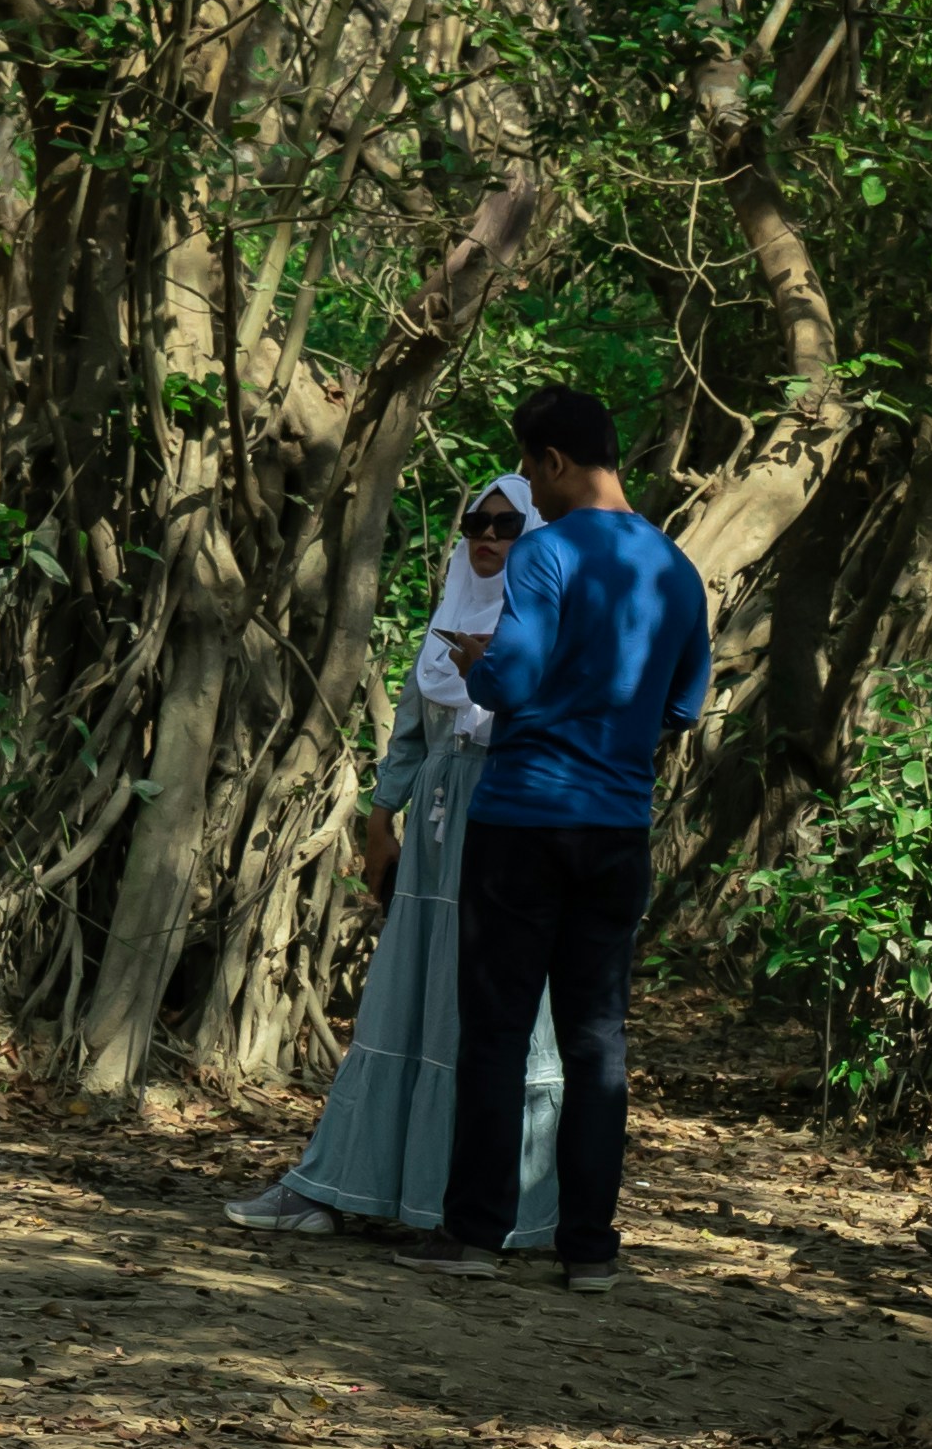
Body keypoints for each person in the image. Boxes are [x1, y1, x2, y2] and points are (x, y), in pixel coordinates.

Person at [241, 478, 570, 1239]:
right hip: (433, 822)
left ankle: (492, 1211)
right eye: (476, 522)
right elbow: (413, 737)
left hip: (510, 813)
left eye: (506, 524)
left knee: (493, 1005)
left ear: (537, 535)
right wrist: (379, 820)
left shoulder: (553, 620)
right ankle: (348, 1187)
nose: (487, 536)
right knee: (406, 996)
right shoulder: (449, 613)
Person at [440, 378, 708, 1284]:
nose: (528, 487)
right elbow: (684, 701)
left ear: (554, 461)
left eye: (528, 467)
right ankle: (588, 1248)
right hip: (618, 827)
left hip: (522, 816)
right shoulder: (675, 567)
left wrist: (482, 664)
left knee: (497, 1029)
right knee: (597, 1038)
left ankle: (477, 1235)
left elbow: (509, 682)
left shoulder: (547, 554)